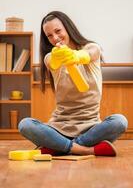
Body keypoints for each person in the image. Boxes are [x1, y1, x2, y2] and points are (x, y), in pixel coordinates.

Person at [18, 11, 128, 156]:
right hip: (58, 128)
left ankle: (59, 147)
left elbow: (92, 52)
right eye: (49, 35)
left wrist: (76, 56)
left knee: (120, 122)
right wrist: (61, 56)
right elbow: (52, 61)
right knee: (25, 125)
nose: (55, 38)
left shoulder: (91, 48)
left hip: (90, 128)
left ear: (68, 27)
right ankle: (84, 149)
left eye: (58, 31)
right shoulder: (51, 57)